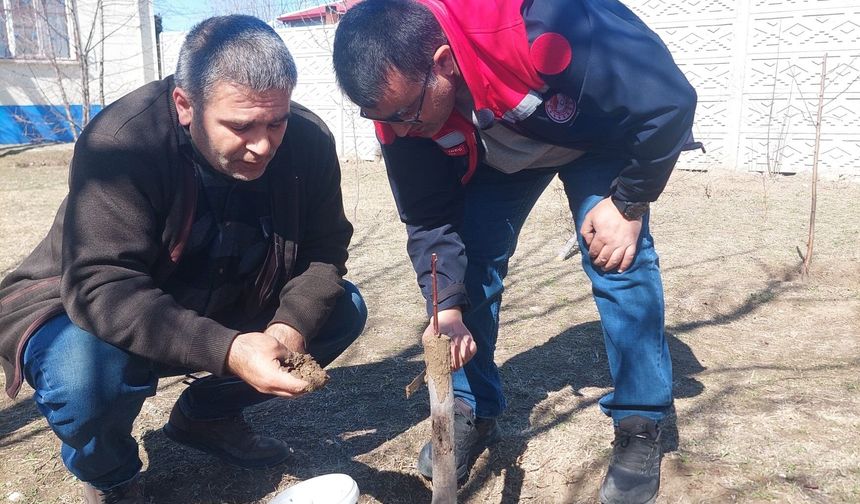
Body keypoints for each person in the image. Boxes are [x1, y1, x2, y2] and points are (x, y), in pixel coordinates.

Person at [332, 0, 697, 502]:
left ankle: (640, 419)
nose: (396, 131)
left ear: (442, 63)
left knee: (616, 259)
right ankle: (471, 409)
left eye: (402, 116)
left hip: (600, 137)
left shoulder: (543, 22)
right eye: (381, 119)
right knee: (473, 268)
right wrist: (447, 309)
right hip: (503, 149)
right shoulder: (397, 111)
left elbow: (668, 102)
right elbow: (429, 217)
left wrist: (628, 204)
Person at [0, 15, 366, 504]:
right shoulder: (122, 142)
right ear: (185, 105)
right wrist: (230, 350)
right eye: (240, 126)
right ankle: (112, 475)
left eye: (275, 122)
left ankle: (206, 417)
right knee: (84, 377)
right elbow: (103, 285)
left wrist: (287, 328)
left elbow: (325, 250)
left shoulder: (307, 140)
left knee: (341, 309)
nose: (263, 145)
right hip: (91, 306)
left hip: (221, 295)